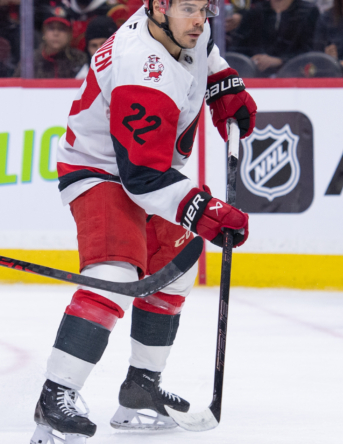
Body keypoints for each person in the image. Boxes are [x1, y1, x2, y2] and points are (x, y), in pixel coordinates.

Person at [30, 0, 257, 442]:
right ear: (157, 8)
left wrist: (223, 84)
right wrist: (203, 210)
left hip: (145, 169)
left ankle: (140, 390)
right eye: (190, 8)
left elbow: (205, 52)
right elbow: (143, 178)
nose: (201, 19)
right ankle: (55, 396)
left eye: (206, 7)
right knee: (113, 272)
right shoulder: (140, 68)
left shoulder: (184, 27)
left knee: (176, 271)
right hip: (100, 170)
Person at [229, 0, 320, 76]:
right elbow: (237, 50)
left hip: (295, 80)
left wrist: (281, 61)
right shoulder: (255, 12)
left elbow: (312, 52)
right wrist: (253, 60)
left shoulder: (309, 12)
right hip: (256, 79)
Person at [14, 13, 87, 78]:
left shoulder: (78, 59)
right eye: (51, 28)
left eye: (62, 29)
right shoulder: (31, 60)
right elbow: (15, 87)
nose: (56, 34)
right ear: (44, 32)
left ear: (70, 34)